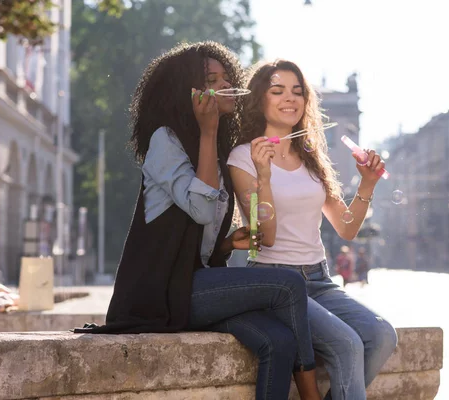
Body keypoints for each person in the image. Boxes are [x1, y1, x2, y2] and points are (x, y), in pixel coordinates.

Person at [74, 43, 320, 400]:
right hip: (162, 293)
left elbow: (198, 242)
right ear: (186, 90)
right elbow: (202, 210)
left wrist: (225, 243)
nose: (225, 85)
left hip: (193, 288)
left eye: (227, 78)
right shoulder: (166, 140)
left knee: (278, 341)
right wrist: (207, 132)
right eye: (211, 80)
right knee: (287, 285)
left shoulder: (217, 150)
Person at [228, 59, 398, 400]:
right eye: (277, 91)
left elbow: (346, 228)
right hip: (273, 282)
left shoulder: (311, 158)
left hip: (318, 280)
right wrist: (264, 175)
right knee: (347, 343)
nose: (290, 98)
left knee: (381, 335)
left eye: (298, 91)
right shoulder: (243, 157)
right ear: (259, 99)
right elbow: (266, 237)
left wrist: (367, 184)